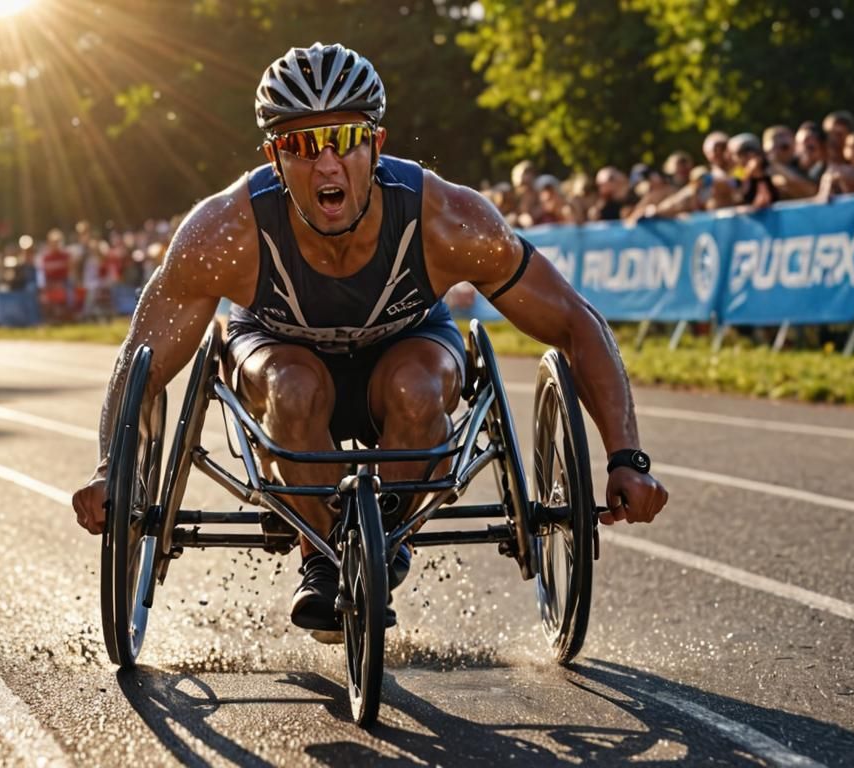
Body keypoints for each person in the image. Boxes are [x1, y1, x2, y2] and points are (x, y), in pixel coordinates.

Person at [70, 43, 668, 639]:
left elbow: (573, 320)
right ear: (274, 158)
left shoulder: (446, 218)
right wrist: (108, 469)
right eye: (302, 145)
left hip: (407, 345)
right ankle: (321, 557)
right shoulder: (224, 232)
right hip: (280, 351)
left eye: (344, 139)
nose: (326, 165)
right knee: (293, 387)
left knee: (417, 388)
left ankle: (385, 538)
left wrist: (626, 457)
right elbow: (141, 363)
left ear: (376, 145)